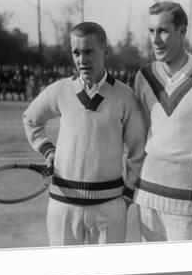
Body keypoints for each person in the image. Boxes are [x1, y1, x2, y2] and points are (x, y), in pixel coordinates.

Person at [23, 22, 146, 246]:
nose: (82, 59)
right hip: (62, 205)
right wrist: (48, 150)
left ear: (105, 52)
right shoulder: (60, 90)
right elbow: (31, 119)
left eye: (89, 51)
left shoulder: (125, 96)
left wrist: (128, 194)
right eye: (76, 52)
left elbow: (138, 149)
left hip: (109, 206)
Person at [133, 1, 192, 242]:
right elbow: (138, 138)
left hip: (187, 199)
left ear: (182, 30)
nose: (155, 39)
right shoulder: (144, 76)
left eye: (163, 31)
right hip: (147, 195)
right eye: (151, 31)